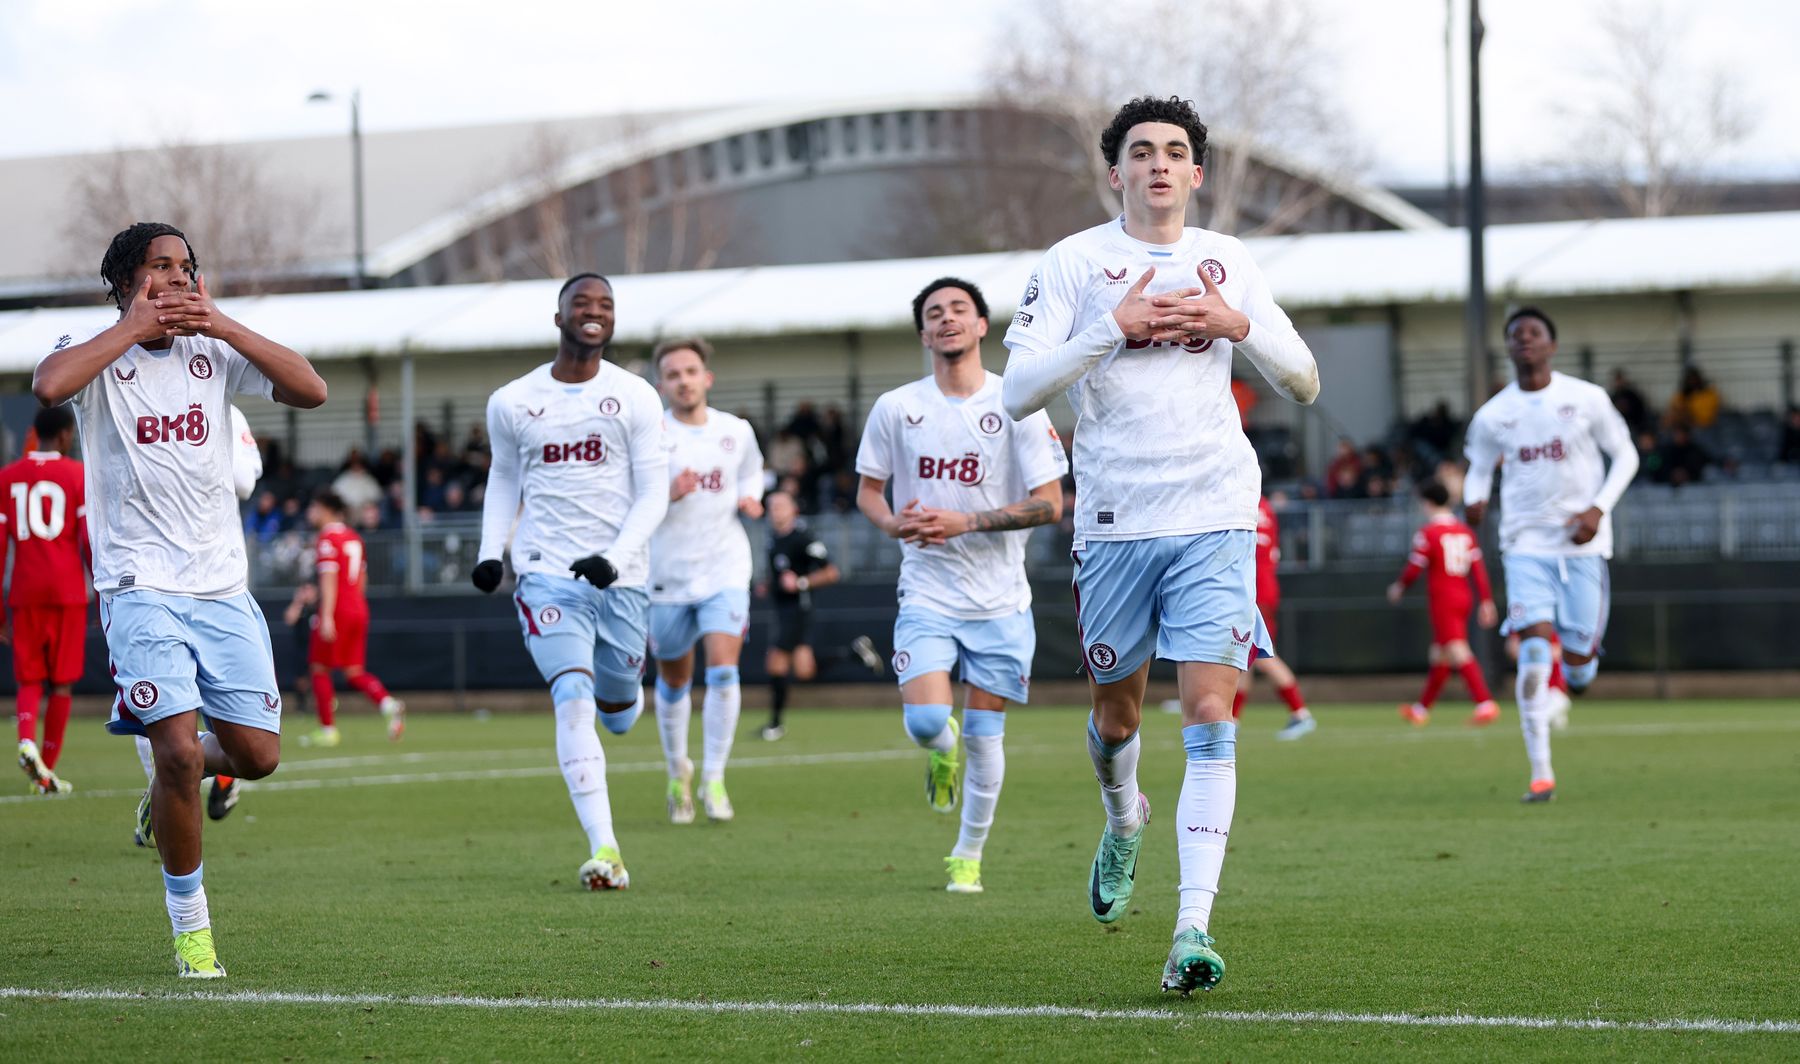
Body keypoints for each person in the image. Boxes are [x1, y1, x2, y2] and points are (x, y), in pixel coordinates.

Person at [1001, 96, 1319, 995]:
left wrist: (1237, 328)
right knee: (1118, 720)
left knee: (1212, 716)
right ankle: (1122, 816)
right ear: (1116, 172)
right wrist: (1114, 330)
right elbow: (1017, 392)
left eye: (1175, 152)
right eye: (1141, 152)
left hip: (1217, 512)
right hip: (1113, 522)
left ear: (1197, 172)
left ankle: (1191, 930)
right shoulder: (1074, 263)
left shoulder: (1231, 262)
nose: (1158, 166)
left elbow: (1303, 380)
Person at [33, 221, 326, 977]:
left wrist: (224, 321)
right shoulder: (94, 347)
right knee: (173, 753)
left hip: (222, 586)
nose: (176, 279)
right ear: (127, 279)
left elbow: (311, 389)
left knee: (258, 757)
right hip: (137, 586)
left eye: (185, 267)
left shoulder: (213, 348)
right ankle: (192, 932)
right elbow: (49, 385)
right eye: (159, 267)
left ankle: (183, 782)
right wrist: (130, 327)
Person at [856, 276, 1067, 894]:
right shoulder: (897, 407)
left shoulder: (1017, 403)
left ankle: (967, 855)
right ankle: (938, 750)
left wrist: (966, 521)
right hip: (927, 592)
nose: (946, 319)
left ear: (981, 326)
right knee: (927, 723)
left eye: (959, 310)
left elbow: (1051, 502)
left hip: (1002, 599)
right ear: (924, 333)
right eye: (934, 313)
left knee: (985, 734)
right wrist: (895, 523)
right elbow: (869, 491)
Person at [471, 273, 667, 891]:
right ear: (558, 317)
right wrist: (491, 552)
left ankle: (629, 693)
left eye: (605, 305)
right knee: (573, 697)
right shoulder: (513, 400)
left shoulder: (635, 395)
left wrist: (616, 555)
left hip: (623, 579)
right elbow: (504, 480)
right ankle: (605, 848)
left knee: (617, 712)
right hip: (546, 576)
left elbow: (655, 490)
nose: (594, 311)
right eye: (582, 302)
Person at [1464, 306, 1637, 803]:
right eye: (1515, 335)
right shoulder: (1494, 414)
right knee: (1534, 649)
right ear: (1509, 348)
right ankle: (1541, 773)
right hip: (1524, 545)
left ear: (1551, 345)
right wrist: (1476, 499)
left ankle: (1579, 677)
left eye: (1533, 333)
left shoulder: (1586, 398)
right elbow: (1477, 468)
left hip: (1583, 547)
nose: (1524, 340)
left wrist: (1598, 509)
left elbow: (1626, 454)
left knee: (1579, 657)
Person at [646, 337, 765, 824]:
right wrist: (665, 493)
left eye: (690, 371)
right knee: (674, 682)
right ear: (662, 384)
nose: (683, 380)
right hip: (668, 576)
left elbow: (753, 474)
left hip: (725, 568)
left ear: (706, 378)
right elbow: (631, 500)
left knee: (722, 670)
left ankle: (715, 776)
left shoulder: (735, 431)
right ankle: (679, 773)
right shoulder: (651, 436)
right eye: (673, 374)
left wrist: (750, 499)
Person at [2, 405, 89, 794]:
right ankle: (47, 770)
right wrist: (101, 588)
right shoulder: (77, 475)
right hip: (67, 590)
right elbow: (87, 541)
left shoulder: (8, 478)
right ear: (67, 435)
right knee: (63, 683)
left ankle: (26, 742)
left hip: (25, 589)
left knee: (29, 677)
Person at [757, 490, 880, 740]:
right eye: (772, 506)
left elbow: (832, 572)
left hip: (797, 610)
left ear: (794, 509)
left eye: (780, 505)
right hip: (782, 609)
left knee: (776, 662)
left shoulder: (803, 538)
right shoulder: (774, 539)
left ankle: (775, 724)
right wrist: (769, 585)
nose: (775, 510)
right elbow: (780, 575)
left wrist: (801, 582)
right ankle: (854, 654)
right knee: (804, 670)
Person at [1388, 478, 1500, 726]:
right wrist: (1486, 601)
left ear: (1428, 503)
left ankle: (1485, 702)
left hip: (1444, 598)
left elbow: (1414, 568)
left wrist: (1399, 587)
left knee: (1457, 649)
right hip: (1464, 595)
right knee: (1440, 655)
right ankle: (1421, 710)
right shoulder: (1464, 531)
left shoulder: (1429, 533)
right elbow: (1478, 570)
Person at [298, 490, 405, 747]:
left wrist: (326, 616)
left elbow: (329, 578)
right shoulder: (354, 537)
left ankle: (327, 730)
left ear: (326, 509)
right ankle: (388, 705)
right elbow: (362, 579)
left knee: (319, 667)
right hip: (358, 608)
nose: (310, 513)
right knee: (354, 671)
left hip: (337, 610)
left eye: (314, 507)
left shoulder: (327, 539)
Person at [1235, 495, 1315, 739]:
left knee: (1262, 654)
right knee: (1243, 654)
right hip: (1263, 585)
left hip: (1253, 587)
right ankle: (1232, 719)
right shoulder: (1264, 505)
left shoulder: (1240, 503)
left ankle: (1300, 712)